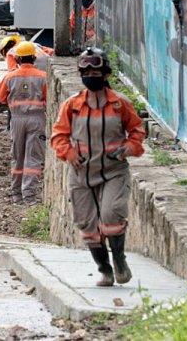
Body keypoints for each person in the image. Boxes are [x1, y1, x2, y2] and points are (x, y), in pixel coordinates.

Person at [51, 47, 146, 287]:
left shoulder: (119, 104)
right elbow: (58, 136)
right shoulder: (72, 106)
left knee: (112, 216)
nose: (90, 75)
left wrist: (128, 147)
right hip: (82, 174)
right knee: (88, 226)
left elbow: (137, 131)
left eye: (95, 70)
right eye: (85, 71)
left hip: (113, 171)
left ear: (105, 74)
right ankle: (105, 270)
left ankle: (120, 262)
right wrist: (69, 153)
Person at [0, 42, 48, 203]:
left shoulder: (10, 77)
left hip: (17, 120)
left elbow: (1, 98)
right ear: (34, 57)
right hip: (37, 119)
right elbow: (48, 98)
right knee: (33, 157)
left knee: (17, 156)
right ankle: (29, 195)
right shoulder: (43, 77)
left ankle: (16, 194)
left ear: (17, 58)